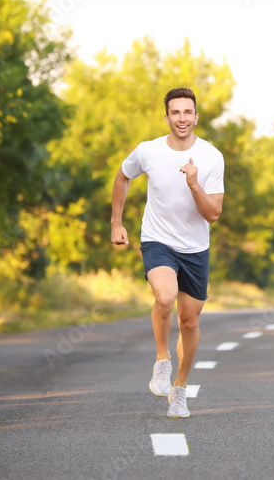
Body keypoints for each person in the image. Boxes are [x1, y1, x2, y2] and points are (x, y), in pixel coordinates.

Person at [110, 87, 225, 418]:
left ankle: (179, 389)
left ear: (196, 117)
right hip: (157, 240)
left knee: (189, 321)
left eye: (187, 112)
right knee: (165, 296)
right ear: (167, 117)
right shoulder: (148, 151)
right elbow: (122, 176)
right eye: (175, 112)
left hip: (195, 248)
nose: (182, 118)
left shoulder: (211, 157)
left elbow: (213, 214)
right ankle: (162, 360)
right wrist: (116, 223)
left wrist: (194, 184)